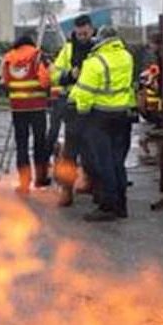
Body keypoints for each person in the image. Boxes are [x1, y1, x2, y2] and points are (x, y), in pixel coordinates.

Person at [71, 26, 136, 222]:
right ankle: (121, 205)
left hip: (100, 117)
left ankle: (107, 205)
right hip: (122, 115)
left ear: (100, 40)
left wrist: (80, 114)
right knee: (118, 162)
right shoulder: (127, 57)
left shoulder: (94, 62)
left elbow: (84, 93)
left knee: (104, 163)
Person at [49, 14, 96, 207]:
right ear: (75, 31)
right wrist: (69, 75)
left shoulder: (98, 48)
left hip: (94, 106)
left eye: (85, 32)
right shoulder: (68, 49)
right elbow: (54, 74)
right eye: (79, 33)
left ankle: (90, 183)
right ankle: (66, 190)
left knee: (92, 149)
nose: (82, 36)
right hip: (73, 106)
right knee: (70, 151)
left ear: (92, 30)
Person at [2, 35, 51, 195]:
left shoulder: (9, 57)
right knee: (39, 143)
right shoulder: (37, 55)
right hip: (37, 106)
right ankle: (40, 178)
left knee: (21, 144)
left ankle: (24, 182)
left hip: (18, 107)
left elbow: (6, 81)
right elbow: (45, 80)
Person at [137, 33, 163, 165]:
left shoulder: (156, 56)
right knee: (159, 123)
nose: (150, 46)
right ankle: (151, 148)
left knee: (159, 123)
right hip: (156, 97)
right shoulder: (158, 56)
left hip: (156, 98)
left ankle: (147, 144)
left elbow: (153, 73)